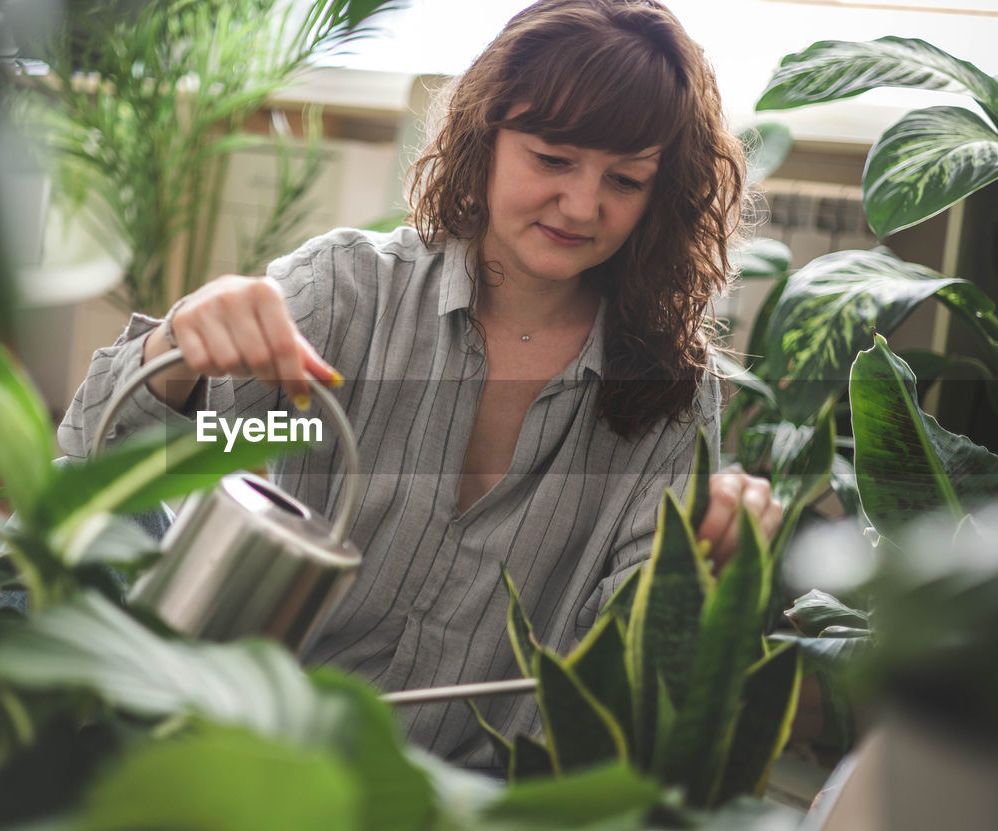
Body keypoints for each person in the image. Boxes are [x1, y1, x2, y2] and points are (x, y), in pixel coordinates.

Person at [58, 0, 782, 771]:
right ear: (487, 136)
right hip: (243, 763)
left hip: (462, 811)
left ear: (660, 197)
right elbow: (102, 464)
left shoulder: (669, 392)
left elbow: (634, 665)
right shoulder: (346, 295)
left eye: (626, 180)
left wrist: (713, 557)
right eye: (553, 159)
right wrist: (181, 348)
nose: (582, 206)